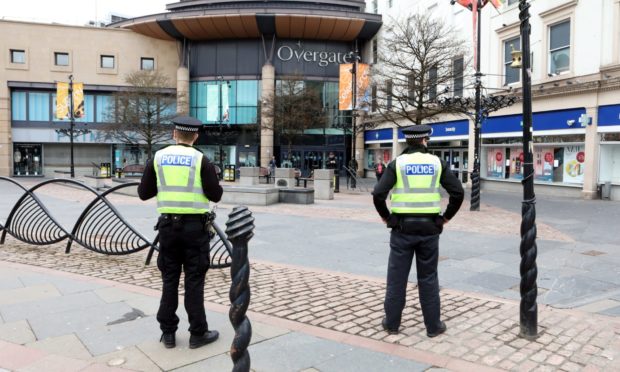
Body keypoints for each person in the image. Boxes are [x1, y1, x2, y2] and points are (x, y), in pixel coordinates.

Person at [138, 116, 223, 349]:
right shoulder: (200, 160)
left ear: (174, 134)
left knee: (169, 280)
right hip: (196, 230)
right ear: (195, 136)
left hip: (167, 229)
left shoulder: (158, 157)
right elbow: (215, 195)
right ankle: (198, 333)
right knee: (194, 281)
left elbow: (143, 193)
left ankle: (168, 333)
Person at [372, 124, 464, 338]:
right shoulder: (437, 163)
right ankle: (433, 327)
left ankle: (392, 324)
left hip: (402, 229)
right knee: (429, 278)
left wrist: (387, 217)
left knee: (397, 278)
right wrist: (446, 217)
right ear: (425, 140)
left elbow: (378, 194)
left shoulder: (398, 164)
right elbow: (457, 192)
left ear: (408, 141)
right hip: (430, 228)